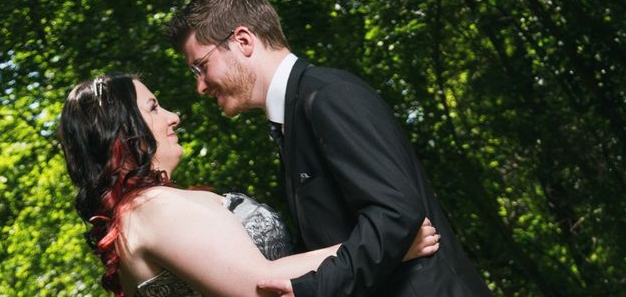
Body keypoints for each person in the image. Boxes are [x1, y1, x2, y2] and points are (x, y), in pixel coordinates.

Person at [167, 0, 492, 296]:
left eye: (201, 67)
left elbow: (396, 214)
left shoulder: (327, 95)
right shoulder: (290, 121)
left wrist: (314, 289)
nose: (201, 87)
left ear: (243, 41)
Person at [57, 73, 440, 297]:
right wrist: (387, 246)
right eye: (154, 108)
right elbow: (259, 285)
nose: (173, 116)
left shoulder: (154, 206)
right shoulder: (150, 209)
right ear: (122, 132)